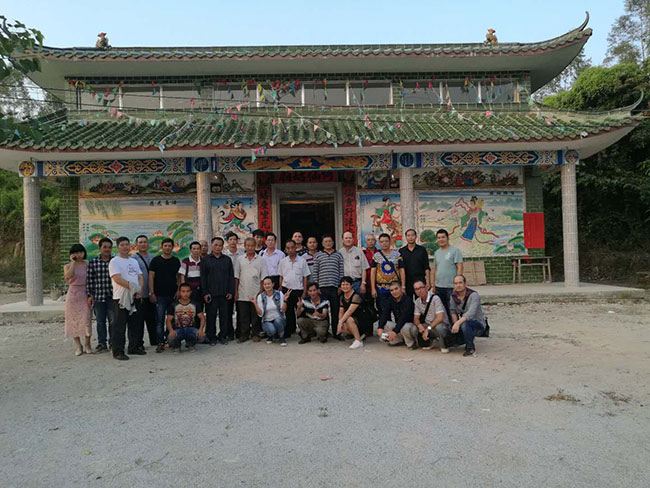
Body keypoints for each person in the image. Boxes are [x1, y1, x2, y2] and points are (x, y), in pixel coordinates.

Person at [108, 237, 143, 361]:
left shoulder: (133, 261)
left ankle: (133, 347)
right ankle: (118, 351)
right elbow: (117, 278)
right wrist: (132, 287)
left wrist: (139, 289)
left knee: (135, 324)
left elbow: (140, 276)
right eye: (122, 245)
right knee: (119, 325)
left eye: (127, 244)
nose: (125, 247)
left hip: (135, 296)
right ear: (118, 247)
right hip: (121, 297)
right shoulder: (114, 261)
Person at [201, 237, 235, 345]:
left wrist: (231, 291)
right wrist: (205, 292)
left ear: (222, 247)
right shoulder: (205, 260)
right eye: (216, 245)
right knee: (211, 316)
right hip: (211, 294)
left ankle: (223, 336)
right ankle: (211, 337)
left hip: (224, 293)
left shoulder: (227, 259)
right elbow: (203, 277)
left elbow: (231, 277)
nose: (218, 247)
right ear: (212, 245)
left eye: (220, 245)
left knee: (224, 316)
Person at [149, 238, 181, 353]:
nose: (167, 248)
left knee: (172, 320)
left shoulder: (176, 261)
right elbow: (151, 277)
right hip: (159, 296)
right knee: (160, 321)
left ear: (172, 247)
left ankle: (169, 341)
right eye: (165, 246)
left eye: (169, 246)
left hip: (173, 295)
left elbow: (179, 277)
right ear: (162, 247)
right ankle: (160, 343)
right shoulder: (156, 261)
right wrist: (151, 292)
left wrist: (179, 290)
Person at [234, 237, 268, 342]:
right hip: (242, 291)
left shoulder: (261, 260)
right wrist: (236, 292)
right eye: (248, 246)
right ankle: (244, 334)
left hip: (256, 292)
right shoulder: (240, 259)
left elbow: (263, 277)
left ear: (255, 246)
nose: (250, 248)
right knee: (243, 315)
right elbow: (236, 277)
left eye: (252, 246)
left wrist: (261, 291)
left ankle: (255, 333)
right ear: (244, 246)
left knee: (255, 315)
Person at [312, 234, 344, 340]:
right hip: (322, 288)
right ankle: (324, 333)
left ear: (333, 242)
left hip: (335, 287)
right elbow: (315, 272)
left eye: (330, 241)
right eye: (326, 241)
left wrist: (340, 286)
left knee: (335, 311)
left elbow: (341, 271)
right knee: (323, 311)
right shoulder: (318, 255)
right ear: (322, 243)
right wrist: (317, 288)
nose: (328, 243)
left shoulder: (338, 255)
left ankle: (336, 332)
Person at [64, 244, 93, 356]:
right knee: (73, 320)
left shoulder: (87, 264)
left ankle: (87, 344)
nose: (79, 255)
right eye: (76, 253)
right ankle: (78, 346)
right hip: (73, 294)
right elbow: (68, 276)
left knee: (86, 319)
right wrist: (73, 263)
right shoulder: (67, 266)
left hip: (85, 292)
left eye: (80, 252)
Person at [86, 237, 114, 352]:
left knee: (113, 321)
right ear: (100, 248)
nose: (107, 249)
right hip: (98, 297)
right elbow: (89, 280)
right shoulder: (93, 263)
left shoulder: (115, 261)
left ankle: (113, 343)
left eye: (109, 247)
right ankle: (102, 343)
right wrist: (89, 295)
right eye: (104, 247)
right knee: (100, 322)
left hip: (113, 297)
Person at [278, 239, 310, 338]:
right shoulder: (283, 261)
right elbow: (281, 276)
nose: (290, 250)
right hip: (286, 289)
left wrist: (304, 291)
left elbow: (305, 277)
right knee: (288, 312)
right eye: (288, 248)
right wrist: (280, 289)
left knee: (300, 311)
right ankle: (289, 330)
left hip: (298, 289)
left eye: (292, 247)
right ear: (285, 249)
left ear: (296, 248)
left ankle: (303, 331)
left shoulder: (302, 261)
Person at [371, 233, 405, 323]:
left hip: (395, 288)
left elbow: (402, 270)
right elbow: (373, 272)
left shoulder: (397, 254)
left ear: (390, 242)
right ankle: (385, 329)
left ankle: (398, 329)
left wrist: (403, 286)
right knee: (383, 312)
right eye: (382, 242)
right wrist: (373, 288)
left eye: (386, 241)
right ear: (379, 243)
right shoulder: (376, 256)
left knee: (398, 311)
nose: (384, 243)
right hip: (381, 288)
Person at [449, 275, 486, 357]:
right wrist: (455, 325)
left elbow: (471, 313)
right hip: (462, 322)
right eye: (456, 283)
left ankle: (470, 348)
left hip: (477, 324)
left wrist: (457, 323)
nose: (458, 285)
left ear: (465, 284)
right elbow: (453, 311)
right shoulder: (453, 297)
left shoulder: (474, 295)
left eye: (460, 283)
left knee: (465, 325)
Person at [132, 235, 157, 351]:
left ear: (148, 244)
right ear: (136, 245)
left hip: (151, 293)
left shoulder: (152, 257)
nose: (143, 244)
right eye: (140, 242)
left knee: (152, 319)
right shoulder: (133, 259)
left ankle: (154, 340)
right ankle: (139, 343)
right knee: (139, 321)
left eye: (145, 242)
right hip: (140, 294)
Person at [377, 281, 418, 350]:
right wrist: (380, 328)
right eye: (392, 290)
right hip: (399, 327)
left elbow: (404, 318)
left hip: (410, 327)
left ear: (401, 288)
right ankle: (396, 340)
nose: (394, 292)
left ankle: (411, 343)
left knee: (405, 326)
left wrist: (394, 331)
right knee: (385, 324)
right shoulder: (390, 300)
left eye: (396, 289)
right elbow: (385, 314)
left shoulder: (408, 300)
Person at [165, 283, 206, 353]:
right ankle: (177, 346)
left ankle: (190, 344)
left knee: (202, 336)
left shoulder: (195, 304)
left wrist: (201, 329)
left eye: (187, 291)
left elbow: (202, 318)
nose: (185, 294)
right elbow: (168, 320)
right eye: (183, 291)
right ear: (179, 292)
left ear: (191, 292)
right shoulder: (173, 305)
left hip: (191, 329)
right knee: (170, 337)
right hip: (178, 329)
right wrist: (171, 331)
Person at [413, 280, 451, 353]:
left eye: (421, 288)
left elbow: (440, 317)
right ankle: (430, 342)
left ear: (426, 288)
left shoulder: (435, 298)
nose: (419, 291)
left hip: (440, 324)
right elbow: (416, 318)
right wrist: (419, 325)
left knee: (439, 328)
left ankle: (444, 345)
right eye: (416, 289)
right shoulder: (417, 301)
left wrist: (428, 329)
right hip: (429, 325)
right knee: (414, 328)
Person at [432, 229, 463, 319]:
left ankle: (455, 326)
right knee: (442, 310)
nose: (441, 239)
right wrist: (434, 285)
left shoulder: (455, 251)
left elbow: (460, 267)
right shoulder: (437, 253)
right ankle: (447, 326)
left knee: (452, 309)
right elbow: (436, 269)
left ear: (447, 238)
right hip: (439, 287)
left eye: (443, 237)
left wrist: (458, 284)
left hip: (451, 287)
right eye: (439, 238)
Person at [251, 276, 288, 346]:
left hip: (279, 318)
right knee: (271, 330)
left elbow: (283, 310)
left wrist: (285, 301)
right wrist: (255, 303)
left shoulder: (279, 294)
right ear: (263, 286)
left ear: (273, 284)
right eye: (265, 284)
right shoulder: (260, 296)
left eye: (269, 284)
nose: (267, 286)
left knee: (278, 321)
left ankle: (282, 337)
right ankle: (270, 336)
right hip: (267, 320)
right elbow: (260, 314)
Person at [223, 231, 244, 341]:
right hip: (228, 284)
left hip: (241, 284)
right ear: (227, 241)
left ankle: (240, 331)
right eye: (230, 239)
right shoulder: (224, 255)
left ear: (237, 241)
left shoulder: (242, 254)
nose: (233, 241)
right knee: (228, 310)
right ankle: (229, 332)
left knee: (241, 310)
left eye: (234, 239)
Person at [399, 229, 431, 297]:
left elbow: (426, 267)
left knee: (421, 300)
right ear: (406, 237)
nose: (410, 237)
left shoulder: (422, 250)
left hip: (420, 281)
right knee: (408, 301)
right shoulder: (401, 251)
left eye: (412, 235)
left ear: (416, 236)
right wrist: (403, 285)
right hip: (407, 282)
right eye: (408, 235)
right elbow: (402, 269)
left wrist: (428, 282)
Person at [338, 276, 366, 350]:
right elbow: (341, 311)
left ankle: (358, 340)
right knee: (343, 326)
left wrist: (341, 321)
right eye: (343, 285)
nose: (345, 286)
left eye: (347, 284)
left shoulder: (356, 296)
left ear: (351, 285)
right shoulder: (342, 297)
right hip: (353, 319)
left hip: (363, 319)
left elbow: (350, 311)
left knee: (348, 319)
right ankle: (360, 335)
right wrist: (340, 323)